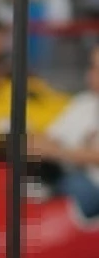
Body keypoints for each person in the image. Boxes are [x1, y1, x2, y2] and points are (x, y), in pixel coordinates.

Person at [28, 43, 99, 218]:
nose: (91, 73)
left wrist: (56, 152)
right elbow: (50, 136)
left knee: (66, 187)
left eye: (97, 68)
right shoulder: (84, 102)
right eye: (92, 66)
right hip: (65, 174)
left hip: (91, 184)